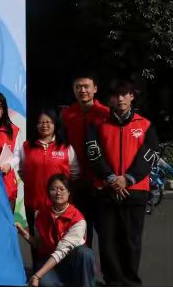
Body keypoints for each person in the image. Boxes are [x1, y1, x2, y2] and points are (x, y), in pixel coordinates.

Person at [85, 80, 157, 286]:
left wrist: (128, 179)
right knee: (108, 241)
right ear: (110, 99)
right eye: (116, 95)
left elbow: (150, 154)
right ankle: (113, 281)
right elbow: (93, 153)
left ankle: (130, 282)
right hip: (106, 191)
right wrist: (110, 178)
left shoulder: (145, 124)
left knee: (131, 241)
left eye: (124, 94)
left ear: (131, 96)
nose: (120, 99)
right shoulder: (98, 124)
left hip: (135, 192)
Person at [16, 174, 95, 287]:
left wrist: (37, 275)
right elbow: (40, 245)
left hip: (71, 262)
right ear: (48, 192)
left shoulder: (78, 219)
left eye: (62, 189)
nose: (58, 193)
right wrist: (24, 234)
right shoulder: (40, 215)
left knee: (85, 253)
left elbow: (61, 251)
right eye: (53, 189)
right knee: (45, 283)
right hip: (50, 262)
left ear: (69, 192)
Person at [60, 74, 109, 246]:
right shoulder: (67, 114)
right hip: (77, 181)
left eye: (86, 86)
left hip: (101, 182)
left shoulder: (106, 114)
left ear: (95, 89)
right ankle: (84, 264)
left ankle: (108, 265)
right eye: (78, 87)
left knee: (106, 234)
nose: (82, 90)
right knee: (80, 233)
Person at [20, 108, 79, 234]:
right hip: (34, 204)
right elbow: (22, 171)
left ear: (55, 124)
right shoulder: (26, 147)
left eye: (48, 122)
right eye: (41, 122)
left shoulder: (66, 147)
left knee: (60, 240)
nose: (44, 125)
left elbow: (74, 174)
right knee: (36, 241)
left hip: (60, 205)